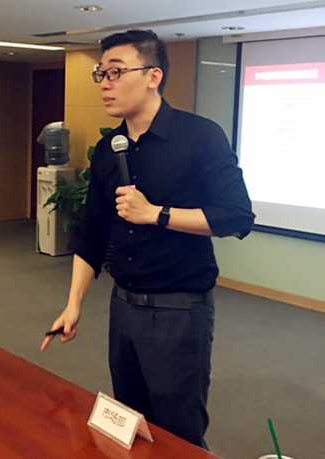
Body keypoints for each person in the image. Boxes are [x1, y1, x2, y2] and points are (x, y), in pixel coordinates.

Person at [41, 29, 254, 449]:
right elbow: (92, 233)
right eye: (101, 74)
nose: (105, 83)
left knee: (179, 432)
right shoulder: (108, 149)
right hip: (123, 307)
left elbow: (236, 217)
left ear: (153, 76)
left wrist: (155, 214)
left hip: (180, 310)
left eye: (116, 72)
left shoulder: (200, 136)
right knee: (131, 424)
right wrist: (73, 304)